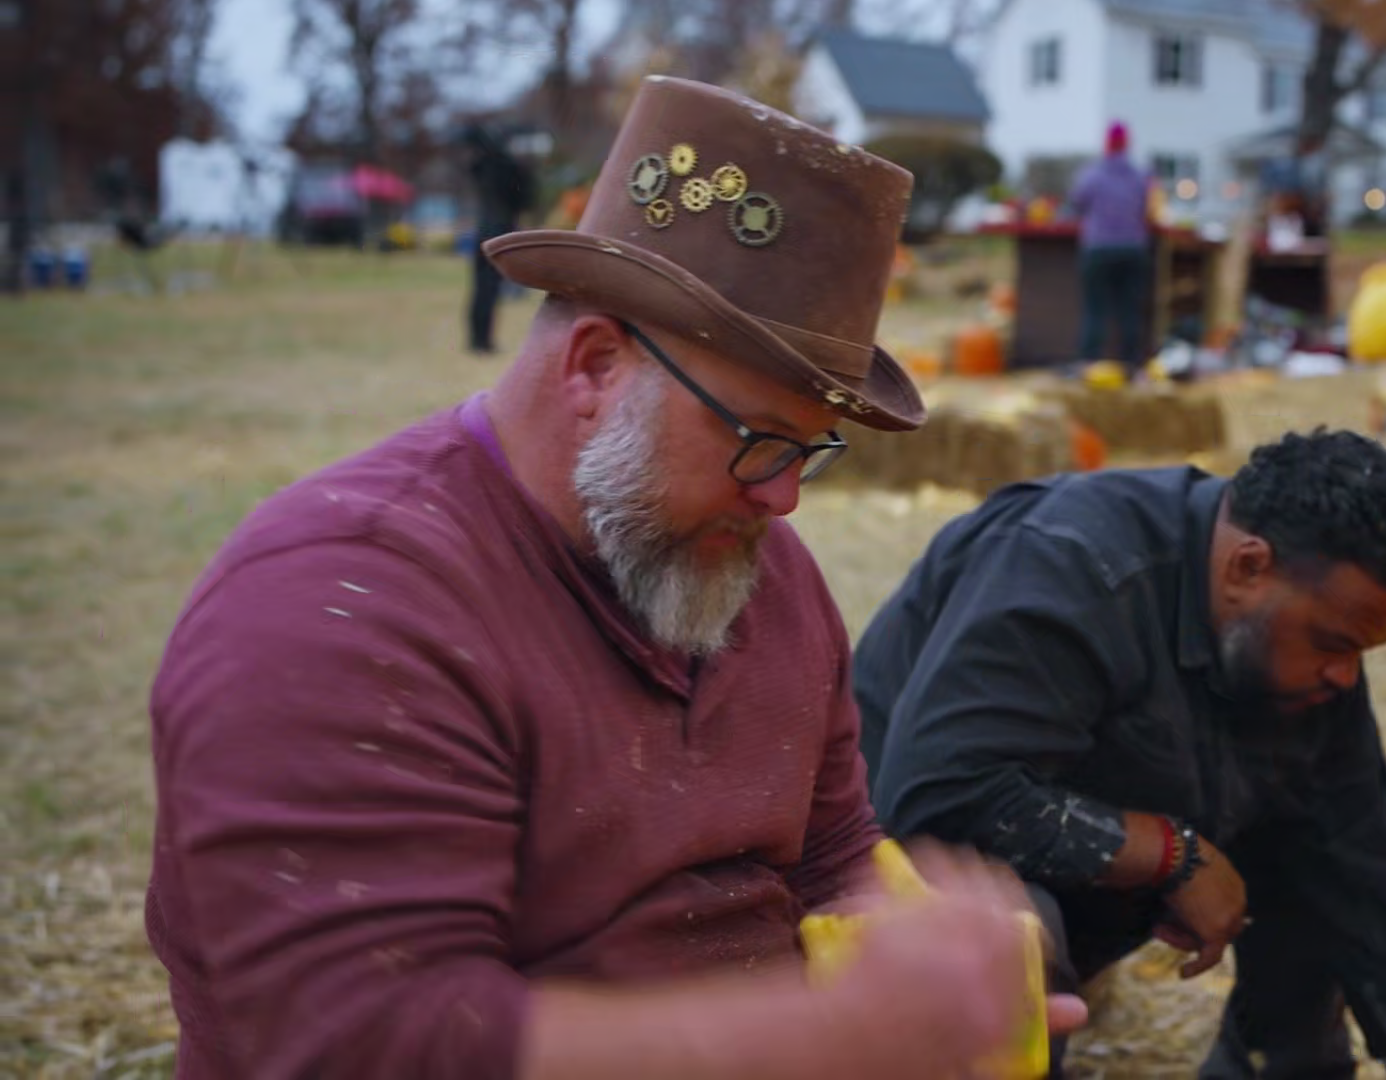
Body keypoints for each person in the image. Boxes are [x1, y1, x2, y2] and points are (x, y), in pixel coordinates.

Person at [145, 75, 1084, 1079]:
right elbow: (371, 1043)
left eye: (809, 451)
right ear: (594, 366)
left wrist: (920, 960)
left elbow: (832, 851)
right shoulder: (344, 605)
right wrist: (837, 1037)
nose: (783, 500)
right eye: (761, 438)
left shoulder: (753, 567)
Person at [854, 429, 1386, 1080]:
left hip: (1088, 850)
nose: (1346, 676)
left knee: (1321, 871)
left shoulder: (1300, 630)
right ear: (1248, 567)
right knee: (1007, 926)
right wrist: (1171, 855)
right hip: (902, 872)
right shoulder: (1073, 565)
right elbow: (939, 795)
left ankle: (1275, 1063)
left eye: (1361, 654)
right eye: (1334, 644)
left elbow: (1353, 843)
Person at [1067, 121, 1155, 377]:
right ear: (1127, 144)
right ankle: (1131, 366)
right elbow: (1149, 208)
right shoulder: (1141, 176)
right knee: (1130, 310)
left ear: (1106, 144)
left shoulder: (1092, 175)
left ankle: (1089, 364)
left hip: (1098, 248)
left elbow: (1077, 202)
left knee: (1095, 308)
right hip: (1133, 248)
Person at [463, 122, 537, 354]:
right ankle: (482, 341)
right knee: (490, 287)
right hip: (500, 230)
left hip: (482, 230)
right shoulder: (509, 168)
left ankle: (478, 338)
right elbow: (524, 199)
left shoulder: (482, 166)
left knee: (480, 288)